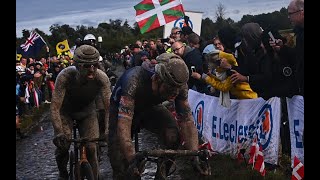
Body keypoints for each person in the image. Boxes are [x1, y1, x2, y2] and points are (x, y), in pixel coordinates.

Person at [108, 53, 210, 179]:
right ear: (156, 79)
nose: (174, 94)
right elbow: (124, 124)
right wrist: (131, 159)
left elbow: (187, 121)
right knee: (120, 162)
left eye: (177, 90)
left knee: (172, 136)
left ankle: (161, 175)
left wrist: (194, 155)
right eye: (169, 89)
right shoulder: (134, 80)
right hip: (121, 109)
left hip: (150, 107)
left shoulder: (179, 84)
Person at [50, 45, 111, 180]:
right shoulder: (64, 76)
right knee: (63, 146)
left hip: (87, 112)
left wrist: (107, 130)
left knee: (91, 148)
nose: (92, 70)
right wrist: (59, 131)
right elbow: (55, 108)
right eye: (87, 66)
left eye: (95, 65)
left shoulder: (102, 78)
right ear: (77, 66)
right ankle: (63, 172)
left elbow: (108, 108)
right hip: (66, 112)